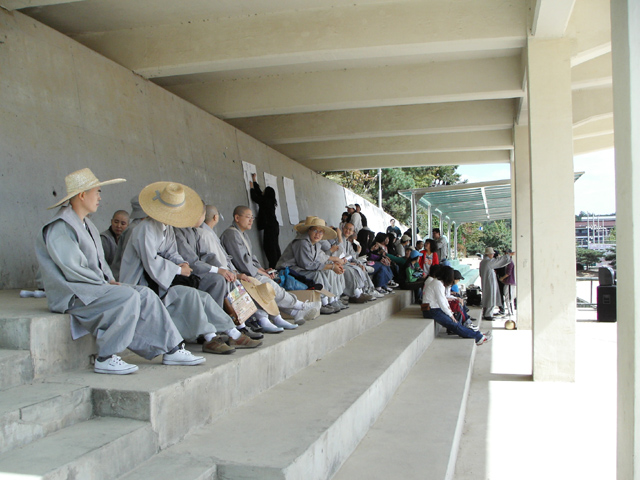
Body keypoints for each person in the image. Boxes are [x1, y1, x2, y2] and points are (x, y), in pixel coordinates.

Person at [35, 168, 205, 374]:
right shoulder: (61, 226)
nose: (99, 197)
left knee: (145, 295)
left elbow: (100, 263)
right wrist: (104, 283)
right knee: (127, 296)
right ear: (82, 195)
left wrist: (108, 279)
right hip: (74, 293)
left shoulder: (87, 224)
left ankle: (172, 349)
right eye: (97, 192)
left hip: (93, 287)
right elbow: (74, 269)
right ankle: (105, 357)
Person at [120, 182, 261, 354]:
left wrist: (182, 263)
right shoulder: (145, 229)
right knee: (192, 296)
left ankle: (232, 332)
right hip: (143, 283)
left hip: (160, 280)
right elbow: (152, 262)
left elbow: (171, 252)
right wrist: (179, 270)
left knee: (204, 298)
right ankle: (210, 338)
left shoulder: (165, 227)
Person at [220, 206, 320, 325]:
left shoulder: (243, 235)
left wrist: (263, 270)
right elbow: (242, 263)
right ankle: (300, 306)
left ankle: (295, 312)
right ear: (237, 218)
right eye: (248, 217)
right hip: (240, 275)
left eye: (252, 217)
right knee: (268, 286)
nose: (251, 220)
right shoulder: (231, 234)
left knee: (272, 283)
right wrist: (261, 273)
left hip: (249, 272)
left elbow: (251, 258)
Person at [276, 216, 347, 314]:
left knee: (326, 271)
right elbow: (307, 265)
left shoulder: (316, 244)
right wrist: (332, 266)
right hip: (289, 270)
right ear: (309, 231)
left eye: (321, 232)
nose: (318, 234)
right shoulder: (301, 242)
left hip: (301, 269)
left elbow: (321, 258)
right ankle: (321, 303)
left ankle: (331, 299)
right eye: (315, 230)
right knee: (317, 274)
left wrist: (335, 264)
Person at [422, 265, 491, 346]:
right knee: (454, 324)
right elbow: (442, 302)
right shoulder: (437, 284)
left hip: (435, 309)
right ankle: (479, 337)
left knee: (455, 323)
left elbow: (443, 300)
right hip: (431, 311)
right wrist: (451, 315)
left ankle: (478, 334)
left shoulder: (438, 283)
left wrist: (449, 311)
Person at [249, 173, 281, 269]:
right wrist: (254, 181)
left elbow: (255, 197)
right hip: (274, 226)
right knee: (274, 246)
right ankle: (278, 266)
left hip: (270, 227)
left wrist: (251, 188)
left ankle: (274, 268)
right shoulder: (269, 201)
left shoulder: (265, 201)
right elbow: (259, 193)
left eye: (264, 191)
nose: (262, 191)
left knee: (270, 247)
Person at [479, 247, 515, 320]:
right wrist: (508, 256)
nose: (493, 255)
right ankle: (488, 314)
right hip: (490, 282)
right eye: (492, 254)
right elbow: (499, 261)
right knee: (491, 298)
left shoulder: (482, 262)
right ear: (489, 254)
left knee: (488, 297)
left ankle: (487, 313)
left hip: (486, 282)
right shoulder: (488, 262)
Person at [499, 250, 516, 316]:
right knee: (507, 298)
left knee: (509, 299)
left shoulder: (510, 262)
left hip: (509, 283)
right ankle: (510, 312)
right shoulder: (508, 262)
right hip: (508, 283)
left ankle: (511, 312)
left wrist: (502, 278)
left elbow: (508, 273)